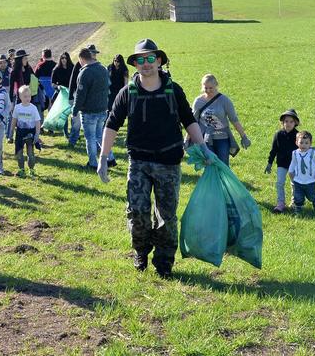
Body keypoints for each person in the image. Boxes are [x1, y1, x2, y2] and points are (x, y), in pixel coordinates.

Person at [98, 39, 212, 279]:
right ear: (135, 64)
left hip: (169, 162)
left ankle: (164, 261)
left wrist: (203, 148)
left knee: (166, 216)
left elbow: (189, 120)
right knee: (137, 211)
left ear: (159, 61)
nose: (146, 64)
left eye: (151, 58)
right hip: (139, 162)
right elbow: (111, 125)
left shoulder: (173, 89)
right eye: (141, 59)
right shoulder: (127, 92)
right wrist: (102, 158)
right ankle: (141, 251)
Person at [191, 73, 251, 166]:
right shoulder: (198, 101)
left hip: (222, 138)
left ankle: (223, 181)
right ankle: (212, 181)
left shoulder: (224, 100)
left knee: (223, 165)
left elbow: (234, 119)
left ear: (216, 85)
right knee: (210, 166)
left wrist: (244, 136)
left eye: (210, 88)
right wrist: (187, 139)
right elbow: (192, 122)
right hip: (205, 139)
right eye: (205, 88)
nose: (208, 90)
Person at [73, 48, 116, 170]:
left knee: (90, 137)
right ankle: (110, 158)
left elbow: (80, 95)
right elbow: (108, 86)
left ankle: (93, 163)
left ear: (82, 58)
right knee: (100, 135)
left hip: (89, 111)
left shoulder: (85, 72)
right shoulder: (103, 69)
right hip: (103, 109)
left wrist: (75, 110)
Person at [265, 109, 300, 213]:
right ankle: (280, 203)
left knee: (294, 183)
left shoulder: (298, 136)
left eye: (291, 121)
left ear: (295, 123)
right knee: (280, 182)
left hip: (294, 164)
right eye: (286, 121)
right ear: (282, 123)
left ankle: (294, 202)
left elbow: (302, 150)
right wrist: (269, 163)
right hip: (281, 163)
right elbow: (273, 150)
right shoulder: (278, 135)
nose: (288, 124)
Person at [67, 44, 98, 146]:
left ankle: (94, 143)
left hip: (92, 98)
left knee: (93, 123)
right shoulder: (79, 65)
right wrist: (71, 96)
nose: (94, 55)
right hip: (78, 95)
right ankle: (72, 140)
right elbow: (72, 81)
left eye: (95, 53)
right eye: (92, 53)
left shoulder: (98, 66)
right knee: (76, 121)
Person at [288, 131, 315, 213]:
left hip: (310, 180)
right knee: (298, 196)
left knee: (311, 196)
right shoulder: (295, 153)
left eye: (306, 143)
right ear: (296, 142)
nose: (303, 145)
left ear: (310, 144)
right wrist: (290, 171)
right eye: (301, 142)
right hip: (298, 180)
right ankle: (298, 207)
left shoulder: (312, 153)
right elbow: (293, 163)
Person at [11, 85, 42, 177]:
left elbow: (37, 122)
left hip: (30, 133)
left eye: (29, 96)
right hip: (20, 133)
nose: (27, 98)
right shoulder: (17, 107)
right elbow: (14, 120)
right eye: (25, 96)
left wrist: (37, 134)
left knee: (30, 153)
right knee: (19, 153)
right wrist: (11, 132)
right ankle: (21, 170)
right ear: (20, 97)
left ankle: (31, 170)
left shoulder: (33, 108)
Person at [51, 52, 75, 138]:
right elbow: (53, 84)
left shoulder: (73, 68)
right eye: (62, 58)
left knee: (73, 114)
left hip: (72, 94)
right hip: (61, 94)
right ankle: (66, 133)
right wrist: (58, 87)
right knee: (64, 115)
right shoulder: (56, 69)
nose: (64, 60)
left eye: (65, 58)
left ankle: (73, 132)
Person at [35, 48, 57, 114]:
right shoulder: (56, 65)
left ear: (43, 56)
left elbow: (35, 77)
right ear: (51, 55)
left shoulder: (39, 65)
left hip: (43, 90)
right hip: (53, 89)